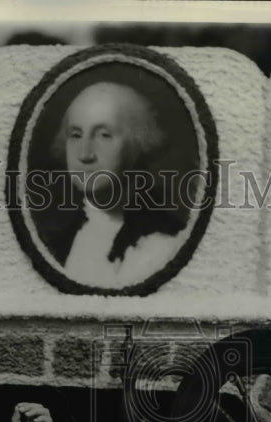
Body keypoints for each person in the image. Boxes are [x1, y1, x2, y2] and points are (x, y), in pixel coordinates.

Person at [42, 80, 190, 289]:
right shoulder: (53, 243)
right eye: (75, 135)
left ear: (137, 143)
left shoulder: (167, 244)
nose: (84, 154)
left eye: (104, 135)